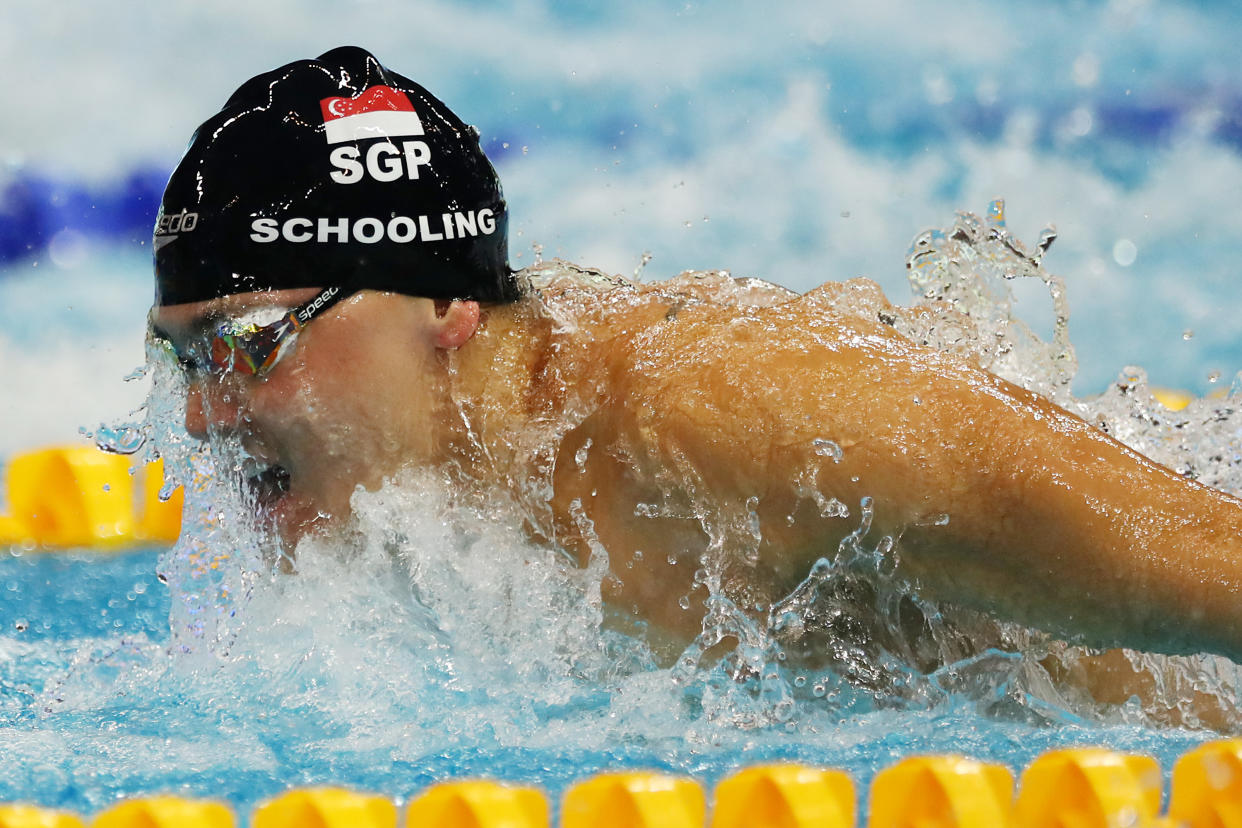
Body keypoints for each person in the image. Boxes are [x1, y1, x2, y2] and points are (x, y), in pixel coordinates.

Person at [148, 46, 1242, 679]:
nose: (203, 416)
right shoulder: (444, 496)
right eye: (186, 356)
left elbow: (1206, 565)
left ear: (443, 301)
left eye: (247, 343)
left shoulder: (723, 414)